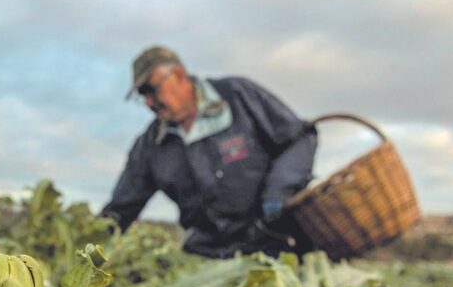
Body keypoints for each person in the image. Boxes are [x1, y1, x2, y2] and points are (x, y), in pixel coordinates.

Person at [101, 46, 317, 258]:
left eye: (151, 89)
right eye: (142, 95)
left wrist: (279, 191)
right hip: (211, 255)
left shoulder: (237, 95)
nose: (148, 102)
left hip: (278, 241)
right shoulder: (151, 146)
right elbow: (121, 208)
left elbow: (300, 138)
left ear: (178, 75)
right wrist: (86, 248)